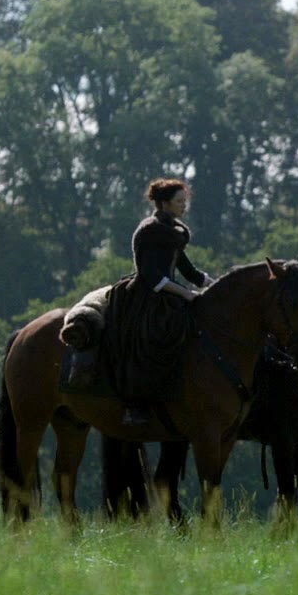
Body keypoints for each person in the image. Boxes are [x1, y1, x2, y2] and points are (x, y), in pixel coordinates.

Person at [112, 178, 217, 426]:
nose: (184, 206)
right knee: (156, 338)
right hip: (146, 296)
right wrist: (186, 294)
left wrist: (218, 285)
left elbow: (189, 272)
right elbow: (151, 276)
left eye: (185, 201)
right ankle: (137, 403)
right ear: (164, 203)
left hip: (170, 294)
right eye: (179, 201)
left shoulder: (173, 232)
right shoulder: (150, 231)